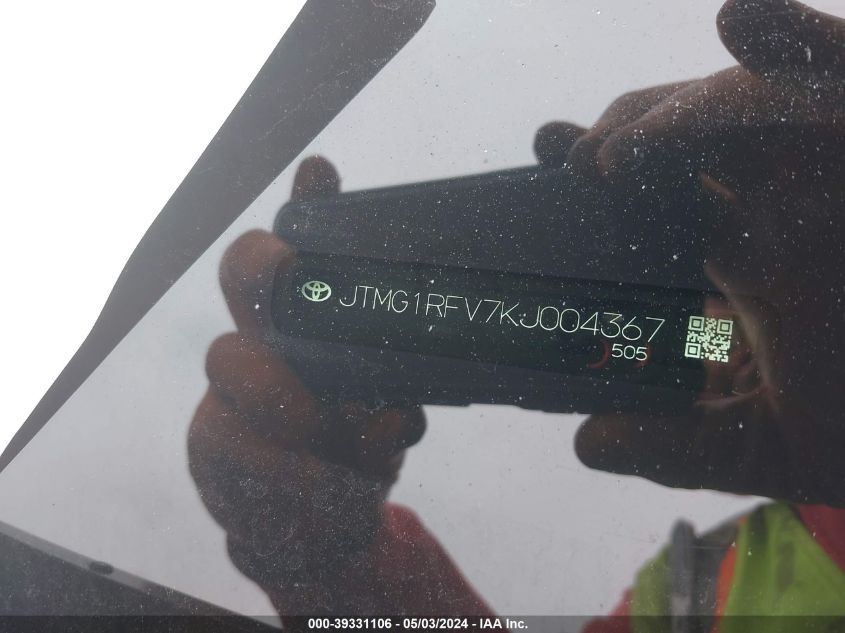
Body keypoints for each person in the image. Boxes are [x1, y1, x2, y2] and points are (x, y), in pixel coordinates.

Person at [188, 0, 845, 627]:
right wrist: (332, 561)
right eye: (725, 315)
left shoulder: (704, 586)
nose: (746, 348)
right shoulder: (694, 591)